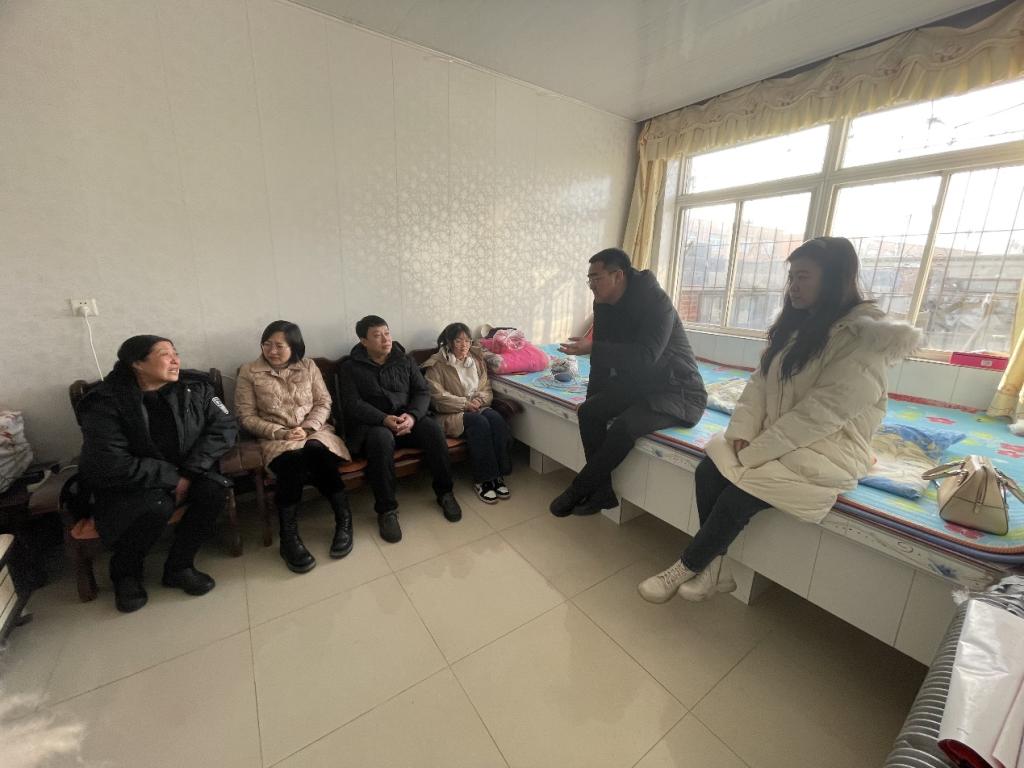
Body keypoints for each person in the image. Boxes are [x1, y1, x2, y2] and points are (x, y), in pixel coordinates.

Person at [638, 237, 921, 603]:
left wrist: (756, 451)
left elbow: (819, 415)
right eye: (791, 277)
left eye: (803, 277)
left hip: (828, 447)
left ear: (833, 279)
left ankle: (686, 567)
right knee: (709, 468)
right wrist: (743, 432)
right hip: (778, 435)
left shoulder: (863, 341)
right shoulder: (800, 325)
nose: (793, 287)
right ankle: (715, 570)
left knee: (740, 493)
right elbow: (760, 383)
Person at [78, 336, 238, 613]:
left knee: (213, 492)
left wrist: (188, 472)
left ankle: (179, 566)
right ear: (137, 363)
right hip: (133, 481)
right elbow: (111, 461)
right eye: (165, 354)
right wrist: (171, 477)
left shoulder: (196, 387)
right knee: (157, 505)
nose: (175, 360)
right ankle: (125, 573)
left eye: (176, 353)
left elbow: (225, 428)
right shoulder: (105, 401)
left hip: (191, 470)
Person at [550, 247, 707, 517]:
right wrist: (593, 400)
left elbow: (646, 356)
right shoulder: (603, 303)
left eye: (596, 278)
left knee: (624, 427)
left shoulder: (656, 303)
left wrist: (594, 348)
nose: (591, 285)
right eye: (589, 279)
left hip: (677, 391)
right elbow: (601, 359)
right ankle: (602, 495)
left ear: (618, 275)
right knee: (589, 412)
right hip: (639, 383)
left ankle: (578, 488)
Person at [234, 321, 353, 573]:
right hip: (275, 439)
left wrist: (308, 428)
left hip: (315, 431)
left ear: (294, 346)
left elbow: (323, 402)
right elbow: (246, 416)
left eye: (279, 346)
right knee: (292, 462)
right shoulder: (249, 371)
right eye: (267, 344)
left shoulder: (308, 366)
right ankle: (288, 537)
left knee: (317, 451)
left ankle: (344, 520)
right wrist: (281, 432)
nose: (272, 350)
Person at [339, 315, 462, 543]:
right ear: (363, 341)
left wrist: (413, 416)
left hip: (407, 420)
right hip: (374, 425)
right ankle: (387, 510)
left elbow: (422, 392)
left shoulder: (404, 360)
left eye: (387, 333)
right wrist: (383, 419)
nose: (385, 339)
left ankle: (445, 492)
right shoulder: (350, 367)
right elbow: (352, 403)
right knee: (381, 439)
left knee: (432, 429)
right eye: (377, 335)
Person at [423, 322, 511, 505]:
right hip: (450, 414)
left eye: (467, 340)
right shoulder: (436, 364)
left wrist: (479, 400)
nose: (464, 345)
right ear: (449, 342)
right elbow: (437, 397)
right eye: (458, 341)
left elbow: (485, 387)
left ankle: (498, 476)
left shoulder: (476, 359)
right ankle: (483, 480)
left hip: (477, 406)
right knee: (479, 423)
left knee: (496, 419)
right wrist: (464, 404)